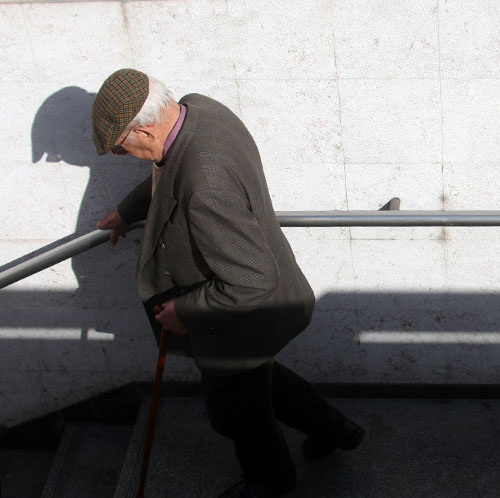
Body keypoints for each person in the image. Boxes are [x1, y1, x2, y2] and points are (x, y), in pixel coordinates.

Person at [92, 68, 364, 498]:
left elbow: (252, 278)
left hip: (241, 317)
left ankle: (271, 482)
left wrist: (185, 310)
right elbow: (169, 171)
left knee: (234, 414)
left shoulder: (206, 186)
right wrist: (129, 210)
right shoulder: (198, 111)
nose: (124, 157)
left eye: (121, 149)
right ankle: (339, 430)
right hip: (261, 309)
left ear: (143, 129)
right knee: (259, 383)